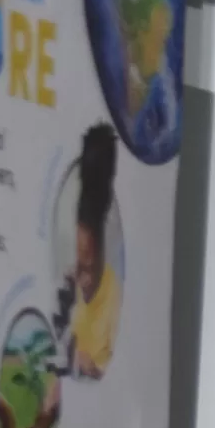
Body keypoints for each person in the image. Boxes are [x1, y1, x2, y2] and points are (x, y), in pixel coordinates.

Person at [64, 124, 121, 379]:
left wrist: (85, 363)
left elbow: (101, 372)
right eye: (79, 266)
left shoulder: (111, 299)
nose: (81, 278)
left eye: (85, 268)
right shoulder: (75, 285)